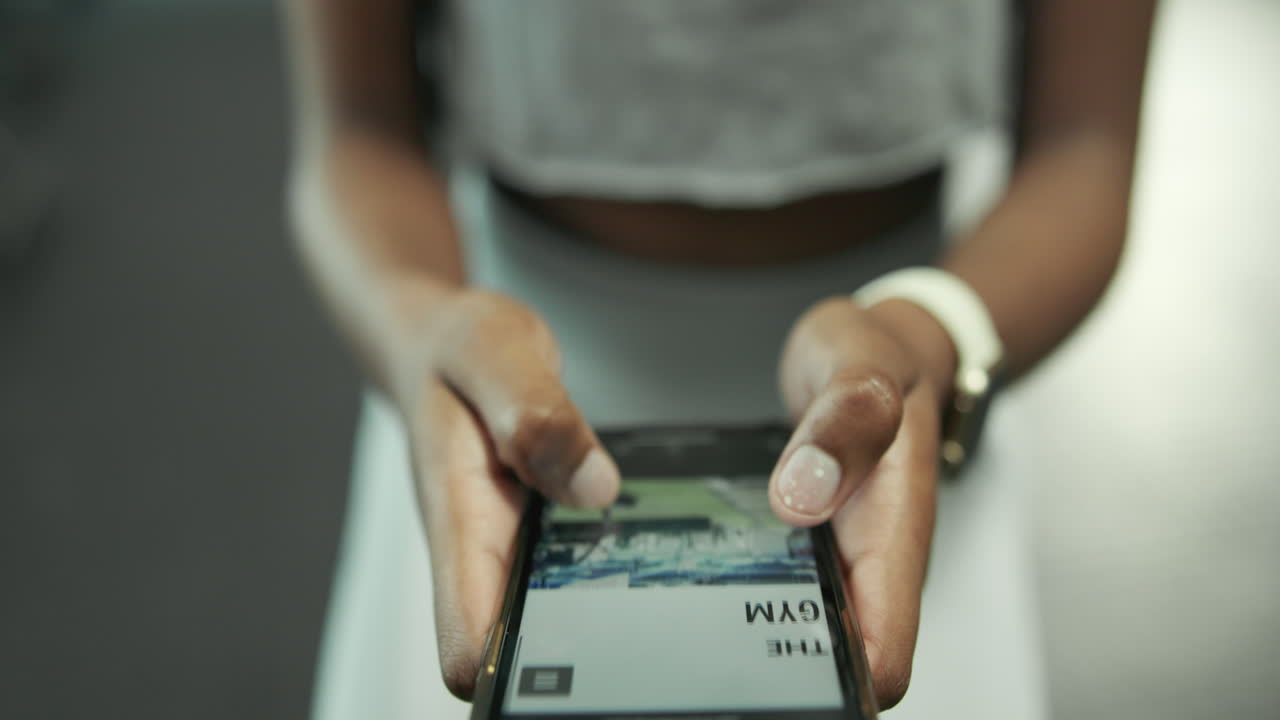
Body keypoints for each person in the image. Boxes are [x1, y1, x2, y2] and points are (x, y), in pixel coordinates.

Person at [282, 1, 1154, 716]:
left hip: (899, 424)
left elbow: (1085, 147)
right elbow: (357, 130)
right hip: (490, 416)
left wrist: (931, 333)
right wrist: (422, 335)